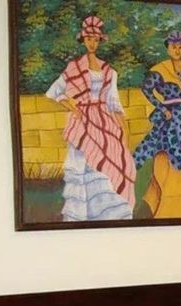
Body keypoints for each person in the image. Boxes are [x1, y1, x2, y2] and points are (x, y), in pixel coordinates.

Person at [46, 15, 135, 221]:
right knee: (85, 166)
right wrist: (71, 106)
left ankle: (110, 214)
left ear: (100, 41)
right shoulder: (74, 67)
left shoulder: (109, 71)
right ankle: (82, 216)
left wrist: (124, 130)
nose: (92, 43)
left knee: (117, 164)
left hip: (105, 121)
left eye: (95, 39)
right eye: (88, 39)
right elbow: (54, 92)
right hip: (82, 122)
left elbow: (113, 102)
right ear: (83, 41)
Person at [133, 31, 181, 218]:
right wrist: (162, 107)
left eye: (180, 46)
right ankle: (162, 202)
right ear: (167, 48)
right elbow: (147, 90)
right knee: (169, 152)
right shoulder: (160, 69)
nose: (177, 50)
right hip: (171, 120)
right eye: (174, 46)